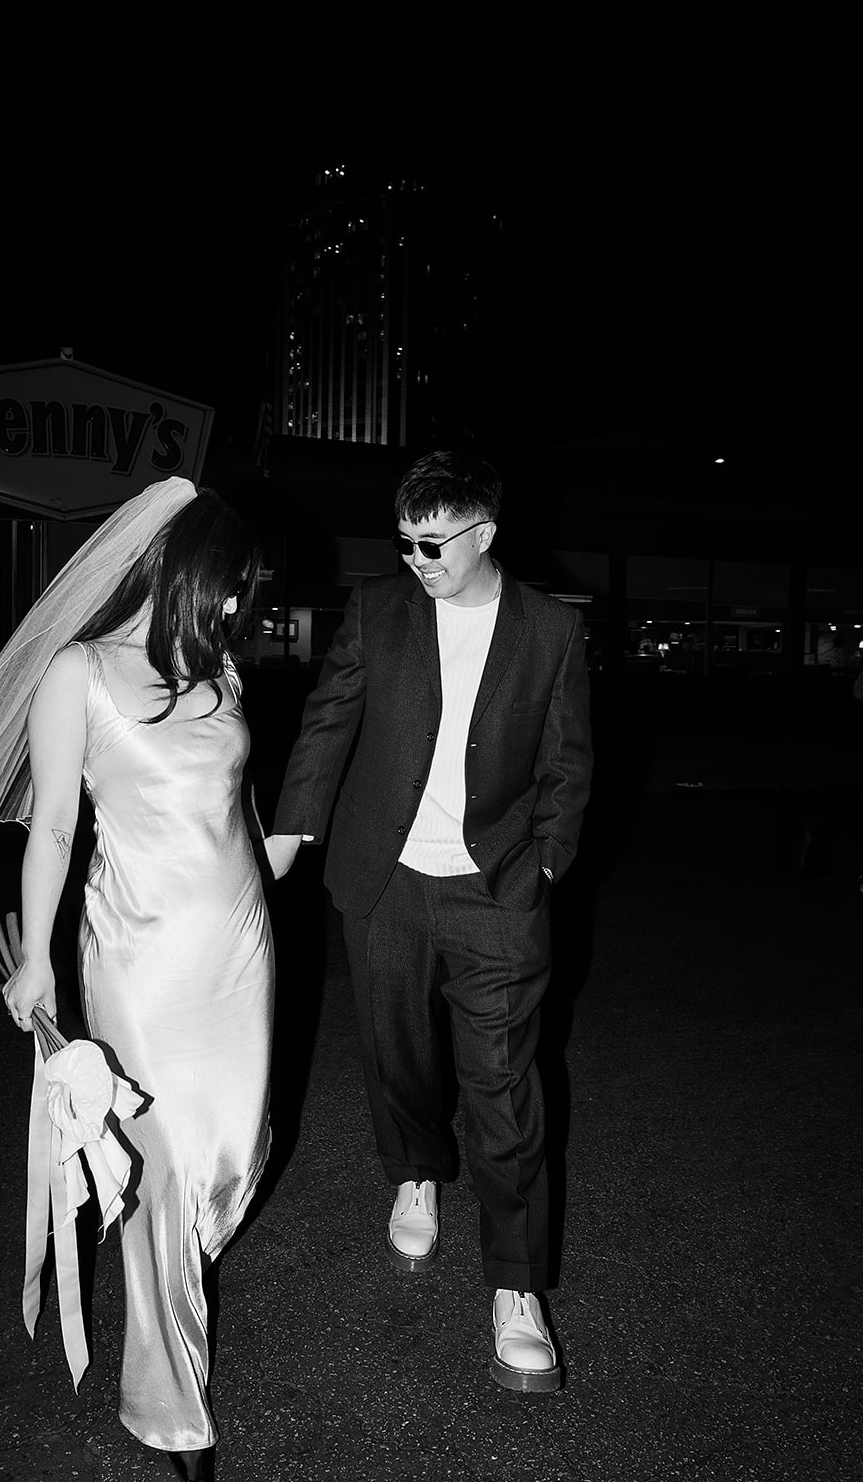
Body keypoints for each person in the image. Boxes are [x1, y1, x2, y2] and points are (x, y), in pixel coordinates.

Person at [0, 479, 272, 1482]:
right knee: (159, 1177)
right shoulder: (79, 673)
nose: (240, 608)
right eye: (231, 588)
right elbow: (58, 828)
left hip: (240, 954)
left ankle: (177, 1303)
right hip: (139, 959)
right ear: (185, 572)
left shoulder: (222, 670)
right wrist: (34, 952)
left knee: (224, 1159)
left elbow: (230, 806)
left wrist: (276, 849)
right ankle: (171, 1410)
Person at [265, 451, 592, 1394]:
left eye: (433, 543)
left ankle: (517, 1288)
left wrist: (541, 866)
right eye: (403, 542)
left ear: (484, 533)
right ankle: (414, 1170)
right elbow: (327, 725)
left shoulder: (550, 630)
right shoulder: (379, 611)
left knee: (502, 1085)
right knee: (396, 1050)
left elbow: (570, 768)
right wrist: (285, 839)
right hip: (387, 877)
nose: (415, 559)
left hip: (495, 889)